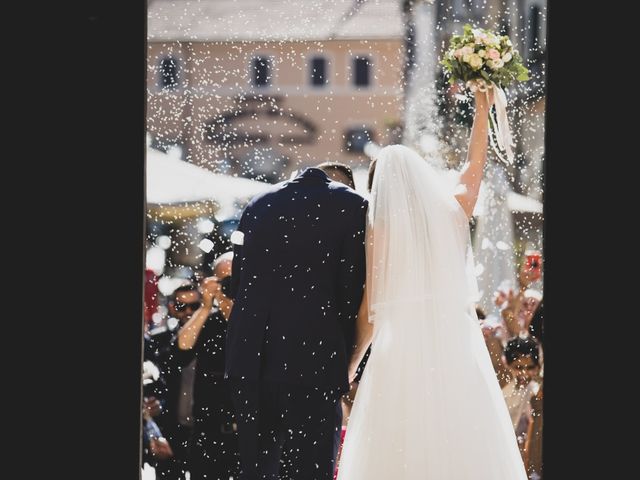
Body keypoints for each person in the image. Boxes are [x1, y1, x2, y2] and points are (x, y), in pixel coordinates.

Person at [336, 89, 528, 479]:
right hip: (457, 350)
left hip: (400, 354)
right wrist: (481, 111)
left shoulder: (379, 229)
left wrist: (351, 364)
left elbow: (370, 309)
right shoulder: (453, 213)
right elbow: (474, 166)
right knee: (463, 439)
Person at [226, 163, 368, 479]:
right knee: (311, 470)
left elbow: (238, 284)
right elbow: (353, 292)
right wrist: (346, 357)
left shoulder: (259, 202)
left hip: (250, 360)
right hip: (313, 360)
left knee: (257, 470)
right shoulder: (353, 206)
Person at [177, 252, 240, 479]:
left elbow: (241, 336)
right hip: (207, 429)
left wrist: (227, 302)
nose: (229, 285)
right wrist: (205, 306)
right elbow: (183, 347)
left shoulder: (254, 318)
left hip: (244, 429)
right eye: (223, 280)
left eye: (234, 278)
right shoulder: (206, 318)